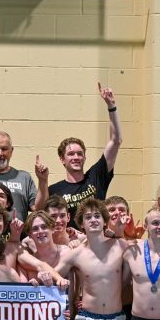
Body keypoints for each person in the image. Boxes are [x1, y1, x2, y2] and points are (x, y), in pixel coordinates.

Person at [49, 83, 123, 226]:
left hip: (98, 242)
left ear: (84, 157)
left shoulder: (96, 176)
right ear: (62, 159)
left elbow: (116, 140)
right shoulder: (54, 191)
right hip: (70, 245)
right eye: (71, 154)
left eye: (79, 154)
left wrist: (111, 106)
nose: (76, 157)